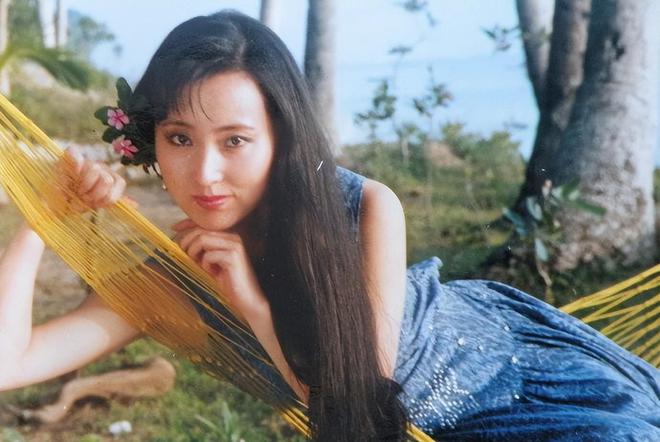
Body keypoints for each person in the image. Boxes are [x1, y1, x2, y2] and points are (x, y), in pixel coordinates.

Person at [0, 10, 658, 442]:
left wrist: (254, 309)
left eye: (235, 141)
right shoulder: (177, 276)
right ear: (149, 141)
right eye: (179, 138)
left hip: (514, 375)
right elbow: (12, 364)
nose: (204, 173)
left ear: (281, 138)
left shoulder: (364, 207)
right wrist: (43, 220)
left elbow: (363, 407)